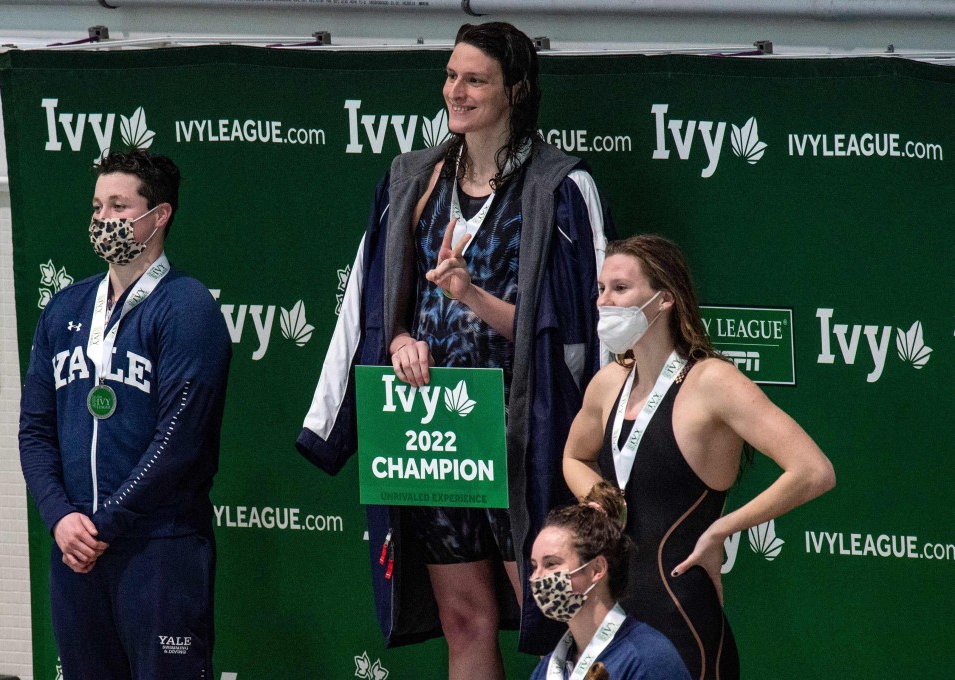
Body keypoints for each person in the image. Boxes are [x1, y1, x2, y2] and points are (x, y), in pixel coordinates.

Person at [297, 21, 612, 676]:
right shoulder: (413, 180)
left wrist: (471, 296)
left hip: (525, 438)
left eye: (475, 79)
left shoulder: (559, 188)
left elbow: (585, 323)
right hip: (435, 437)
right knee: (462, 619)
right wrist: (404, 342)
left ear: (516, 89)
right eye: (450, 76)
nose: (456, 91)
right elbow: (374, 306)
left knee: (555, 617)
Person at [563, 234, 835, 679]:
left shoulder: (713, 382)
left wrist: (722, 530)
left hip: (681, 613)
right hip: (612, 611)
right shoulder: (608, 382)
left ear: (665, 298)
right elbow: (574, 457)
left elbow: (814, 470)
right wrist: (602, 498)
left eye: (620, 288)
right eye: (601, 289)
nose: (603, 301)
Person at [18, 150, 232, 679]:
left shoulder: (187, 308)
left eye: (118, 205)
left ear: (158, 216)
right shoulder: (64, 308)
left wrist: (104, 524)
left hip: (158, 548)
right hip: (74, 551)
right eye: (97, 206)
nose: (103, 220)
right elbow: (35, 429)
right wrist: (60, 518)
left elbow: (178, 440)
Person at [528, 481, 691, 680]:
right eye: (535, 566)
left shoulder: (648, 659)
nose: (537, 578)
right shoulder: (549, 669)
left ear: (597, 569)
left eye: (551, 564)